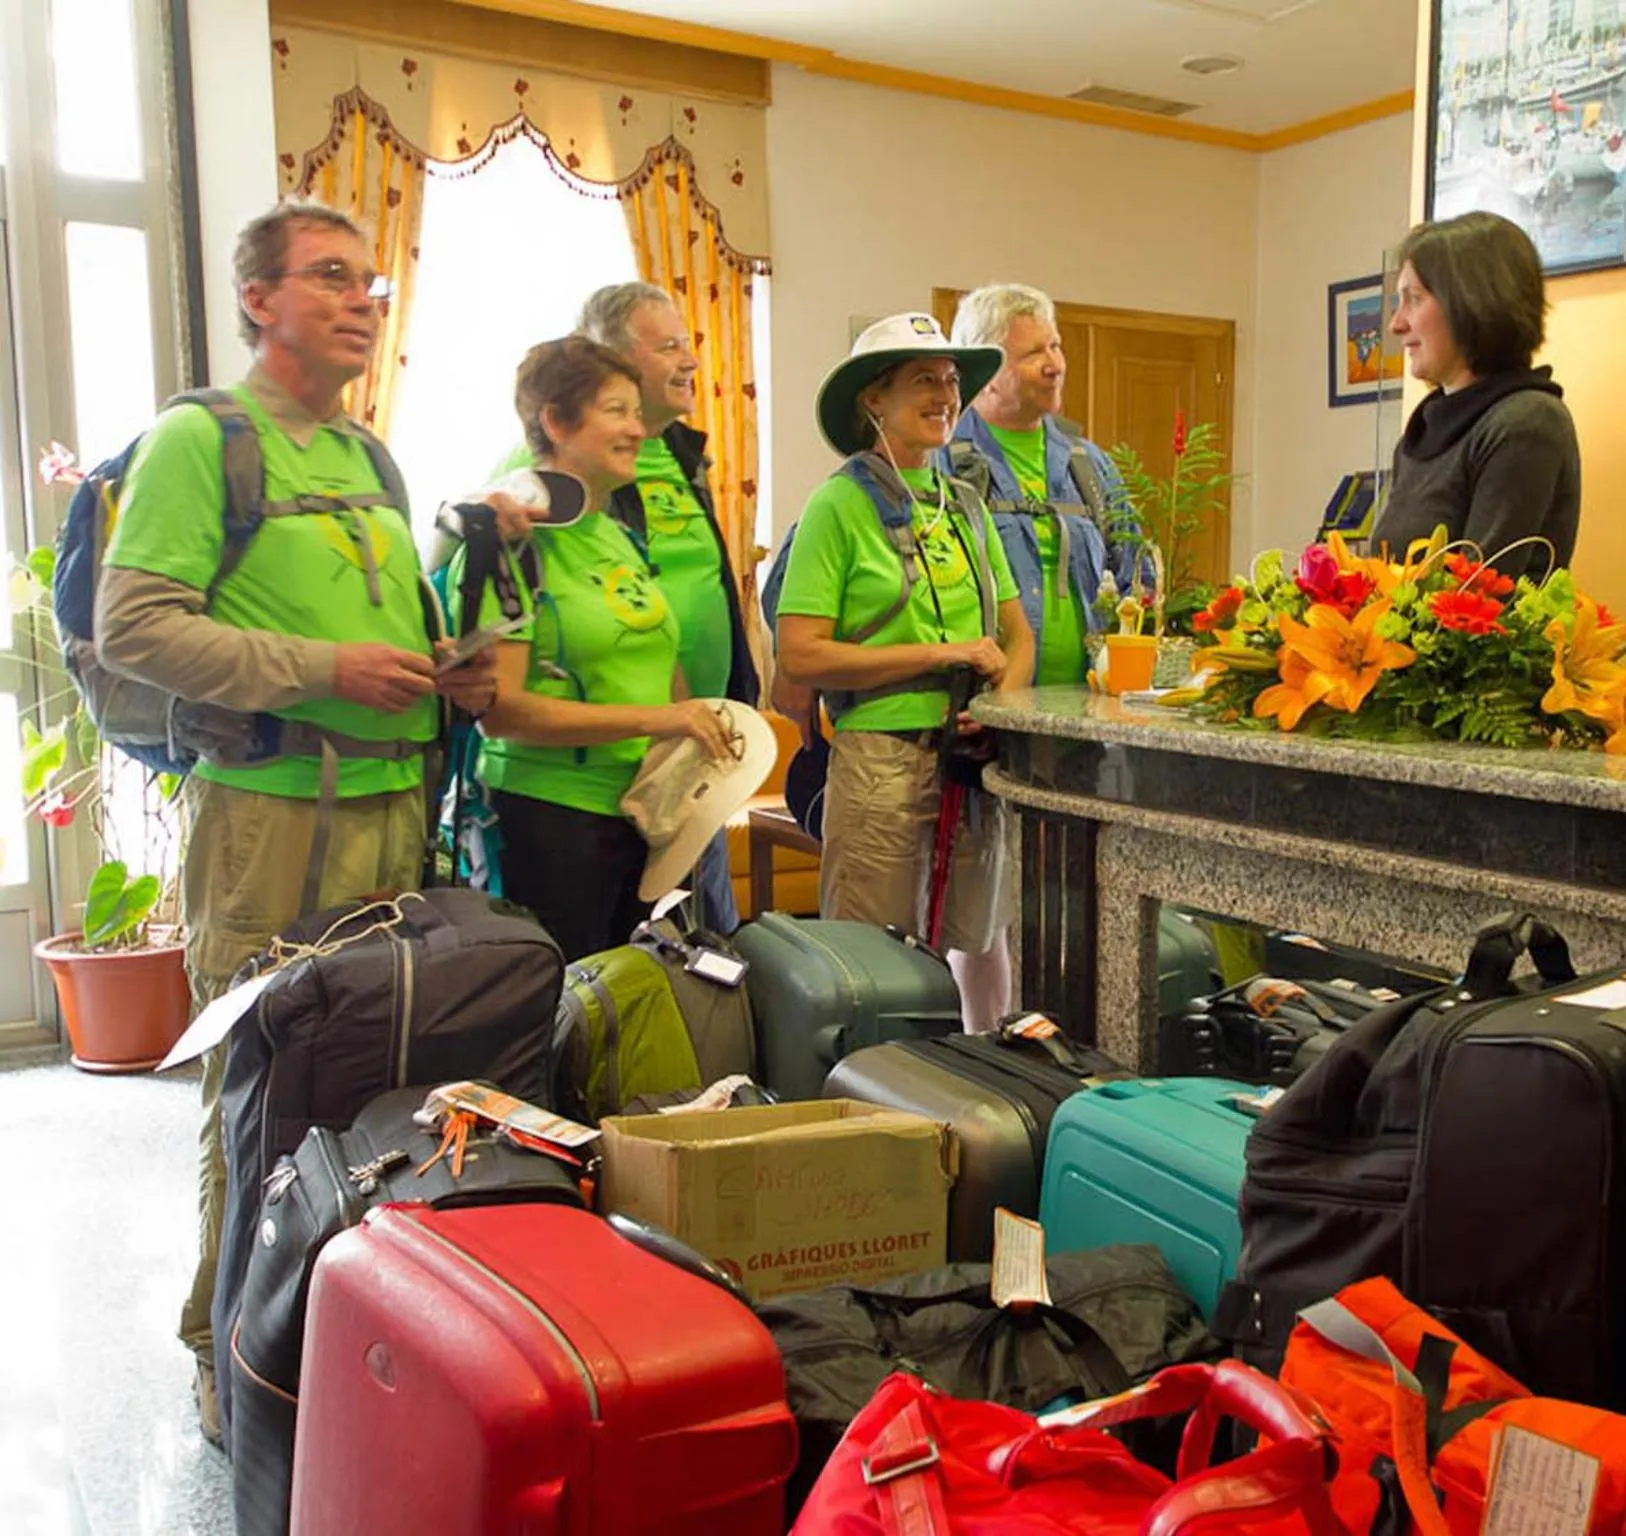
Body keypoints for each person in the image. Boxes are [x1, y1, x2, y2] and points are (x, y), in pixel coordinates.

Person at [95, 200, 503, 1443]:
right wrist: (324, 669)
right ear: (258, 299)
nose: (362, 298)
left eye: (371, 282)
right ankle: (223, 1347)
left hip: (390, 814)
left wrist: (447, 668)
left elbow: (381, 628)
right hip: (270, 820)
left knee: (370, 1080)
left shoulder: (372, 458)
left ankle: (330, 1323)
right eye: (330, 276)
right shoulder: (198, 441)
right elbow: (136, 625)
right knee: (255, 1083)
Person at [773, 314, 1035, 1033]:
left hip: (971, 760)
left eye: (951, 381)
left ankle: (991, 1077)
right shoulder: (839, 505)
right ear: (873, 401)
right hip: (882, 763)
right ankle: (871, 1098)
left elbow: (1016, 632)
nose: (944, 394)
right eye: (923, 379)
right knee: (869, 959)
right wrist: (939, 656)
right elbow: (800, 653)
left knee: (981, 934)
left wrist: (1000, 709)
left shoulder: (966, 506)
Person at [495, 280, 758, 933]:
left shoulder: (625, 522)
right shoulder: (517, 513)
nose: (635, 430)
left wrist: (688, 736)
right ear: (558, 423)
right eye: (617, 411)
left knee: (657, 990)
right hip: (555, 813)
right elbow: (499, 709)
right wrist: (667, 717)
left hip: (657, 793)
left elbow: (658, 636)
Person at [1369, 210, 1582, 580]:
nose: (1396, 323)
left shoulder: (1525, 422)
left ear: (1471, 303)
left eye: (1414, 299)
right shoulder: (1423, 429)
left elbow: (1479, 591)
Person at [943, 283, 1128, 690]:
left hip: (1088, 718)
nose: (1055, 365)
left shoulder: (1090, 465)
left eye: (1056, 346)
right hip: (980, 721)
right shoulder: (937, 462)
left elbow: (1137, 576)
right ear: (985, 373)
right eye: (1033, 353)